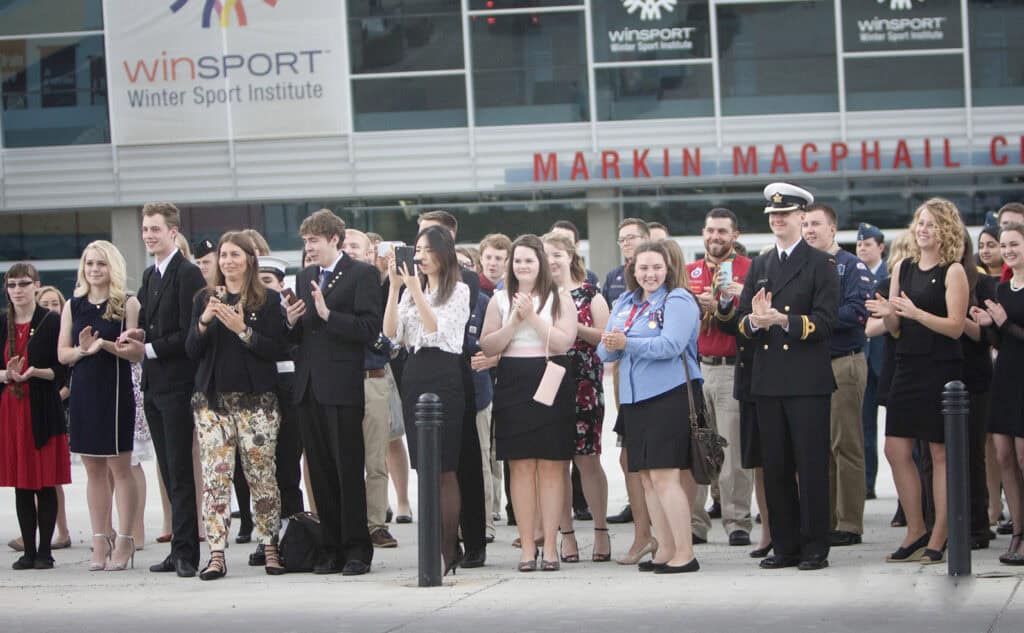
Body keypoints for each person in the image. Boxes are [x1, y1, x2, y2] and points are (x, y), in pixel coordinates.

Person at [737, 182, 839, 571]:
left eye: (784, 214)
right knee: (775, 465)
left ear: (801, 217)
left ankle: (815, 546)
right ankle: (785, 545)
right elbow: (743, 325)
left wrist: (783, 320)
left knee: (810, 466)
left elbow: (827, 323)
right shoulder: (761, 265)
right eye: (772, 216)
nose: (777, 220)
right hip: (768, 380)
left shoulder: (821, 264)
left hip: (806, 380)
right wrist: (755, 321)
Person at [867, 197, 969, 565]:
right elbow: (894, 327)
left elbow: (956, 327)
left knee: (939, 453)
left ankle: (941, 533)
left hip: (940, 366)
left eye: (930, 224)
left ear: (945, 230)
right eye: (919, 223)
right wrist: (889, 315)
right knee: (895, 449)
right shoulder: (903, 268)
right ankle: (916, 527)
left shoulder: (952, 271)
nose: (922, 229)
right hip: (906, 365)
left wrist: (916, 313)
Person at [185, 231, 287, 579]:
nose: (228, 261)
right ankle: (215, 553)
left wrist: (243, 329)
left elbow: (277, 350)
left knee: (261, 475)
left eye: (235, 255)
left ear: (249, 260)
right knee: (215, 477)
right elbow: (190, 352)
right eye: (224, 255)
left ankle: (270, 544)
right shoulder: (204, 298)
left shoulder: (268, 301)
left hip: (256, 403)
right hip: (212, 404)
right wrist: (204, 322)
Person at [285, 209, 381, 576]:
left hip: (341, 386)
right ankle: (330, 547)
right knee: (320, 471)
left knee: (346, 468)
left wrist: (328, 315)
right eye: (306, 241)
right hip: (308, 385)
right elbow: (299, 335)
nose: (308, 248)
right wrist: (291, 320)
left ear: (334, 240)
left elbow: (369, 327)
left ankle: (357, 548)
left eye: (314, 241)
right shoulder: (306, 274)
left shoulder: (362, 274)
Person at [598, 240, 703, 574]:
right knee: (646, 478)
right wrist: (613, 346)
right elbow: (605, 351)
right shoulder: (625, 301)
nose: (650, 274)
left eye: (657, 267)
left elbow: (671, 345)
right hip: (633, 400)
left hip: (668, 396)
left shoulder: (678, 300)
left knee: (665, 475)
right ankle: (665, 549)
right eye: (643, 268)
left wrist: (627, 343)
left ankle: (685, 552)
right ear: (633, 270)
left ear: (668, 268)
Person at [481, 234, 578, 571]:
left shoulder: (560, 298)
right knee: (520, 467)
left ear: (541, 264)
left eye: (529, 260)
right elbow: (489, 346)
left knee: (552, 466)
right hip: (513, 383)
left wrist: (533, 317)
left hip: (550, 378)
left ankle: (550, 546)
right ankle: (526, 548)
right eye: (517, 260)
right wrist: (514, 321)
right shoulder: (498, 300)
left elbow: (565, 342)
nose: (523, 266)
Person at [384, 224, 470, 573]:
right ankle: (436, 545)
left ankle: (449, 549)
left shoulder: (459, 290)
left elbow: (438, 329)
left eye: (425, 250)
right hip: (414, 371)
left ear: (442, 253)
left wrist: (418, 291)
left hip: (445, 372)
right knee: (424, 467)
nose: (418, 256)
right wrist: (394, 290)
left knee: (444, 467)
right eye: (415, 250)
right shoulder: (407, 291)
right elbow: (391, 335)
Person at [127, 202, 207, 578]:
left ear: (173, 232)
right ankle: (178, 548)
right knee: (168, 471)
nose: (148, 236)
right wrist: (136, 335)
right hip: (153, 385)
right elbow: (151, 325)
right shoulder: (149, 274)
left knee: (179, 470)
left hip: (177, 384)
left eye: (155, 229)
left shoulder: (188, 273)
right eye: (145, 229)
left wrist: (149, 348)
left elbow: (188, 333)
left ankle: (187, 551)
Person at [58, 241, 145, 571]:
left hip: (115, 390)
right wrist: (83, 351)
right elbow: (62, 354)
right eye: (89, 263)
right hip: (84, 391)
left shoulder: (127, 303)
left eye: (101, 264)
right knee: (93, 469)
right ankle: (99, 539)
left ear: (113, 267)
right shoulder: (73, 305)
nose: (94, 269)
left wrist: (104, 345)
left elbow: (136, 353)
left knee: (119, 469)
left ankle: (125, 538)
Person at [802, 204, 874, 548]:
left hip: (843, 362)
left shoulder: (850, 266)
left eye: (815, 224)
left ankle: (849, 523)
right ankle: (826, 519)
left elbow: (857, 311)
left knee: (847, 446)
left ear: (833, 228)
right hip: (812, 366)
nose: (809, 230)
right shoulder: (803, 266)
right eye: (805, 224)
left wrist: (814, 319)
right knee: (822, 448)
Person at [542, 231, 612, 563]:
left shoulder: (590, 294)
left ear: (571, 256)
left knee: (587, 459)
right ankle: (566, 535)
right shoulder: (537, 296)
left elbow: (607, 337)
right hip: (547, 382)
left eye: (557, 254)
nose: (552, 260)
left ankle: (600, 531)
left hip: (584, 381)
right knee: (556, 462)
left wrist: (571, 327)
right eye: (546, 255)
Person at [687, 208, 754, 547]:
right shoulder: (690, 272)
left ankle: (737, 521)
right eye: (711, 231)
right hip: (698, 368)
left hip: (731, 367)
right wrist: (694, 307)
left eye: (722, 232)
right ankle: (696, 524)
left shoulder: (750, 270)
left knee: (733, 451)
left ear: (735, 235)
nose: (715, 237)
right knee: (698, 449)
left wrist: (737, 297)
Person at [1, 263, 70, 570]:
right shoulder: (2, 323)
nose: (17, 290)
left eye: (23, 284)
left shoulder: (51, 320)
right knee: (21, 483)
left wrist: (35, 372)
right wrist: (7, 374)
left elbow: (62, 369)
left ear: (37, 286)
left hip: (42, 406)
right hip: (11, 411)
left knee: (44, 481)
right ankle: (28, 551)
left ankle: (45, 550)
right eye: (12, 285)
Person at [971, 222, 1024, 565]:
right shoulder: (1001, 288)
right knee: (1004, 457)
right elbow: (1000, 343)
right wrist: (988, 326)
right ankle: (1018, 531)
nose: (1007, 250)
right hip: (1005, 378)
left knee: (1023, 458)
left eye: (1014, 244)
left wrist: (1003, 323)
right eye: (1004, 245)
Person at [342, 228, 399, 549]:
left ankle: (375, 523)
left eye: (356, 246)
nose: (349, 250)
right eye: (344, 244)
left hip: (372, 378)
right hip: (339, 382)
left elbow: (389, 341)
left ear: (370, 253)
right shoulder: (327, 286)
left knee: (376, 458)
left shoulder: (383, 288)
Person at [606, 218, 652, 532]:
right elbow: (606, 349)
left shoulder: (672, 292)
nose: (626, 243)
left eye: (632, 237)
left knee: (661, 464)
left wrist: (625, 341)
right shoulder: (620, 290)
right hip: (627, 374)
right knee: (629, 455)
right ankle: (642, 527)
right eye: (622, 239)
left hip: (663, 381)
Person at [458, 245, 501, 542]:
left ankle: (484, 523)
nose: (460, 270)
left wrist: (492, 359)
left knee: (482, 459)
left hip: (478, 390)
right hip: (448, 391)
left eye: (465, 264)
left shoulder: (486, 302)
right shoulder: (435, 299)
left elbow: (499, 345)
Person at [857, 223, 887, 501]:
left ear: (881, 247)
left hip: (886, 359)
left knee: (899, 430)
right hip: (863, 361)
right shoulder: (855, 275)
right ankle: (867, 483)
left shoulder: (891, 275)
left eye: (868, 244)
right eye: (859, 244)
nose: (863, 248)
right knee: (864, 425)